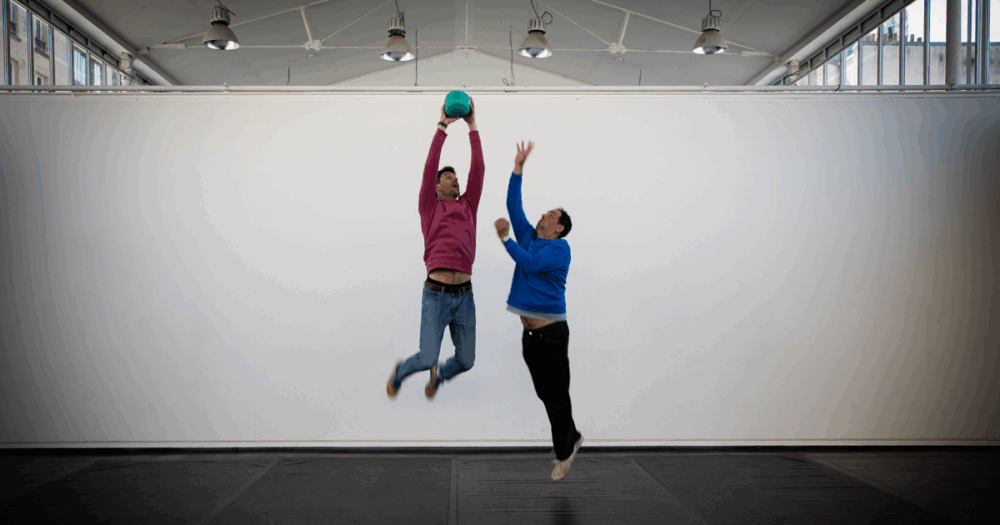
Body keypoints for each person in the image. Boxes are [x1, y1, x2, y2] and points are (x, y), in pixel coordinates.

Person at [493, 140, 582, 481]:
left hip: (552, 334)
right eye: (546, 212)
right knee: (546, 393)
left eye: (552, 215)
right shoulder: (530, 236)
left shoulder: (560, 249)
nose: (544, 214)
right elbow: (513, 206)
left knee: (557, 396)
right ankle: (571, 436)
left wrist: (506, 240)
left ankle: (565, 452)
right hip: (530, 336)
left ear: (559, 228)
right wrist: (518, 168)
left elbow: (529, 264)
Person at [387, 98, 484, 400]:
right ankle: (400, 372)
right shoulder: (429, 206)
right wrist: (442, 126)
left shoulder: (468, 206)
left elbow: (479, 169)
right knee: (426, 356)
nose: (455, 181)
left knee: (467, 360)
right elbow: (430, 166)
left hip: (464, 295)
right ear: (437, 187)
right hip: (436, 295)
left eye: (456, 179)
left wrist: (472, 126)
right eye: (448, 178)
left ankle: (440, 374)